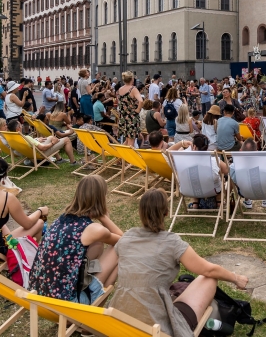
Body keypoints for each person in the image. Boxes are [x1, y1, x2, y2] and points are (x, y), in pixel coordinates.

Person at [110, 188, 249, 336]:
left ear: (140, 213)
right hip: (158, 327)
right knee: (209, 279)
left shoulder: (126, 239)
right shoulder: (171, 242)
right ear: (166, 212)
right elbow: (209, 270)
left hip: (120, 320)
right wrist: (236, 278)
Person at [29, 175, 122, 303]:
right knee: (120, 250)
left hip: (41, 298)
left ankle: (92, 288)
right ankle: (95, 305)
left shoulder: (61, 219)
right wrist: (103, 216)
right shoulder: (94, 230)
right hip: (68, 304)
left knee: (98, 243)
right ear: (101, 198)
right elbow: (124, 241)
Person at [168, 134, 228, 209]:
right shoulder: (214, 161)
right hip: (212, 191)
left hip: (188, 190)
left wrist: (181, 143)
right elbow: (227, 170)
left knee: (194, 178)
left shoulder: (184, 160)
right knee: (219, 178)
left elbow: (167, 153)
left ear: (194, 147)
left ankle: (195, 203)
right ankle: (219, 202)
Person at [229, 139, 266, 208]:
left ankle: (247, 201)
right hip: (264, 193)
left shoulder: (233, 167)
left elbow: (236, 182)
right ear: (256, 152)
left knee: (242, 177)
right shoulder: (265, 167)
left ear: (240, 151)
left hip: (244, 193)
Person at [7, 119, 76, 164]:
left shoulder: (12, 138)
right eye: (20, 125)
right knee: (66, 139)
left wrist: (36, 140)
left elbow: (28, 145)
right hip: (40, 154)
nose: (22, 126)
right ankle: (73, 162)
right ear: (18, 129)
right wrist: (53, 143)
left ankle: (59, 159)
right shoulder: (26, 138)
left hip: (30, 154)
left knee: (51, 137)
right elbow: (43, 148)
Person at [117, 71, 144, 146]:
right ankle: (125, 154)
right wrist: (138, 110)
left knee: (127, 140)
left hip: (123, 117)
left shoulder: (120, 89)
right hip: (132, 117)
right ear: (132, 79)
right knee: (131, 142)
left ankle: (120, 153)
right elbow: (141, 101)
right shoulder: (133, 89)